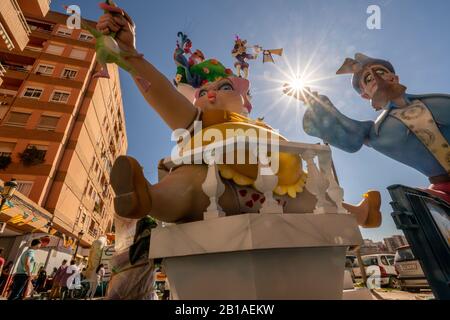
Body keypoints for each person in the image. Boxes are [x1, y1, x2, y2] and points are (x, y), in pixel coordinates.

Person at [95, 4, 380, 228]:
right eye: (202, 92)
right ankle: (148, 197)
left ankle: (362, 212)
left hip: (285, 192)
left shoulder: (257, 126)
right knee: (187, 185)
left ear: (245, 102)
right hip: (222, 192)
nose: (209, 94)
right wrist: (130, 53)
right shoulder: (200, 123)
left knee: (318, 195)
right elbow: (159, 93)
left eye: (224, 87)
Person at [285, 53, 450, 204]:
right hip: (444, 190)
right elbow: (348, 134)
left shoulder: (441, 102)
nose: (378, 78)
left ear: (395, 77)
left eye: (382, 71)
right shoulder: (377, 131)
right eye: (369, 78)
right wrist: (314, 102)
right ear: (365, 95)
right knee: (417, 204)